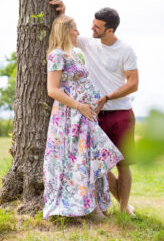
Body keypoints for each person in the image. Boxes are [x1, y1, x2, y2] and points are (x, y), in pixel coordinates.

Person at [50, 0, 139, 216]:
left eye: (97, 26)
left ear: (110, 30)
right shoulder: (89, 43)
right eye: (92, 23)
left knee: (122, 163)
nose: (91, 28)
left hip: (120, 113)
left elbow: (133, 83)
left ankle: (123, 208)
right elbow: (66, 32)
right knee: (99, 162)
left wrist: (107, 97)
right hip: (95, 116)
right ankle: (120, 204)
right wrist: (62, 10)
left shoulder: (125, 50)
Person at [42, 15, 124, 220]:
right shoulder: (56, 55)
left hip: (84, 116)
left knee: (92, 158)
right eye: (75, 29)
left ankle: (95, 206)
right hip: (69, 116)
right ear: (65, 31)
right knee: (78, 161)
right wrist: (78, 105)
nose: (78, 33)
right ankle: (81, 208)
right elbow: (52, 90)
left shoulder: (73, 54)